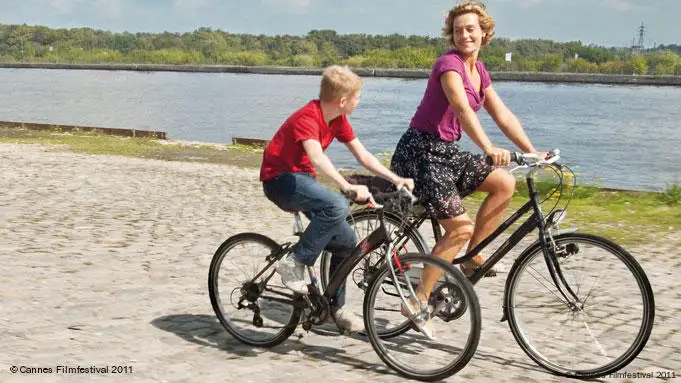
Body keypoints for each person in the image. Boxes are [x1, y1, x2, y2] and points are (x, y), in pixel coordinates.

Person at [390, 1, 546, 338]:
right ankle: (417, 300)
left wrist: (532, 152)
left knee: (504, 182)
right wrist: (489, 148)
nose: (464, 35)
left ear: (484, 32)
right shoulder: (449, 66)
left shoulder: (480, 71)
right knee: (457, 230)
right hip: (419, 155)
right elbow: (462, 109)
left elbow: (502, 114)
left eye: (471, 28)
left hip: (445, 154)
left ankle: (473, 257)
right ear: (452, 34)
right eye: (458, 29)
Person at [260, 65, 414, 334]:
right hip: (279, 180)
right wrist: (346, 186)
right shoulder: (308, 117)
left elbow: (362, 154)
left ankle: (336, 309)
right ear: (343, 100)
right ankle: (295, 262)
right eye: (357, 97)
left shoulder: (337, 119)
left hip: (303, 179)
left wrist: (395, 178)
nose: (359, 101)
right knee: (337, 204)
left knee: (346, 243)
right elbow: (317, 157)